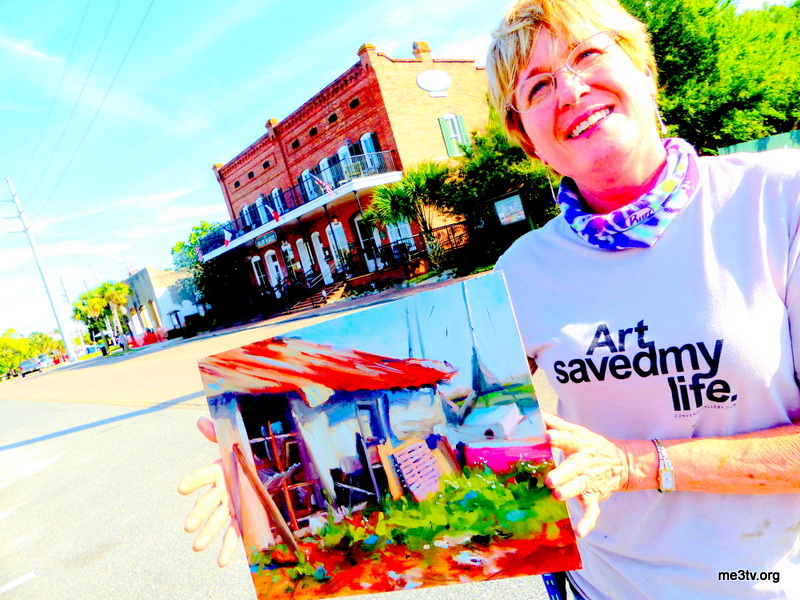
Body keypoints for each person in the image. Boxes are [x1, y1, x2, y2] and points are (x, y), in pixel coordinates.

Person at [180, 0, 800, 596]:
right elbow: (440, 411)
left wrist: (634, 463)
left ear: (643, 68)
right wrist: (264, 479)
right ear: (528, 139)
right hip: (602, 586)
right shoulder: (524, 272)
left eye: (587, 55)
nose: (570, 90)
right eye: (538, 87)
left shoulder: (777, 200)